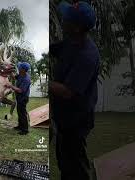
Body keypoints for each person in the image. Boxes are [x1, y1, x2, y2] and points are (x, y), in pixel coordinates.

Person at [50, 1, 100, 180]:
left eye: (67, 18)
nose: (62, 20)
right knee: (65, 163)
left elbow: (67, 91)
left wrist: (45, 84)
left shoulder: (87, 56)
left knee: (76, 167)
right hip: (64, 118)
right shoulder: (71, 42)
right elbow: (51, 50)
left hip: (76, 121)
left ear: (76, 27)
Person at [5, 62, 31, 135]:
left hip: (23, 98)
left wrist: (11, 86)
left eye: (19, 67)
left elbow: (20, 90)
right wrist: (10, 70)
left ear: (23, 69)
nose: (18, 68)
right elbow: (14, 77)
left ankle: (25, 130)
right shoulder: (21, 75)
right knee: (19, 112)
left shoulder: (26, 79)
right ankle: (20, 126)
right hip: (19, 97)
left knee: (22, 113)